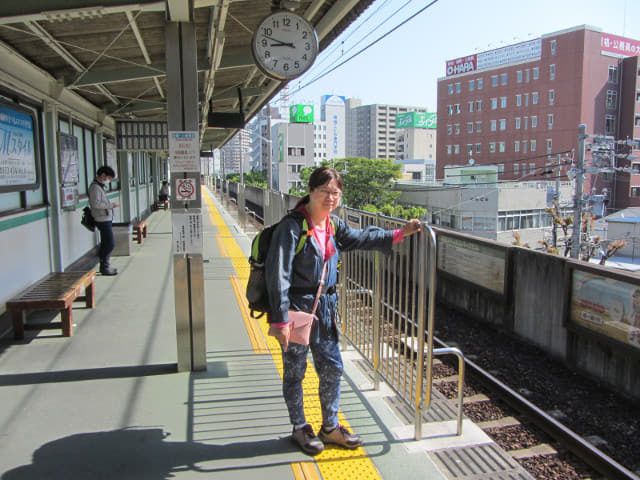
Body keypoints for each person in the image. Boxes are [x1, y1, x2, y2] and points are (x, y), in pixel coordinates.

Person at [264, 167, 422, 455]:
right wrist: (280, 318)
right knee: (295, 372)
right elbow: (278, 275)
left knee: (332, 367)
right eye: (324, 191)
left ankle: (330, 427)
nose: (330, 197)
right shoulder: (292, 227)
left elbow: (362, 238)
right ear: (310, 191)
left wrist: (401, 233)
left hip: (324, 309)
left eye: (335, 192)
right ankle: (300, 427)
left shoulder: (333, 226)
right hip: (298, 310)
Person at [89, 166, 119, 276]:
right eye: (109, 177)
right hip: (101, 219)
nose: (108, 180)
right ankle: (105, 266)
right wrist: (110, 205)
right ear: (103, 175)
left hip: (105, 218)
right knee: (110, 243)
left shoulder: (100, 187)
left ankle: (105, 265)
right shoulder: (95, 188)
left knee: (106, 242)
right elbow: (96, 204)